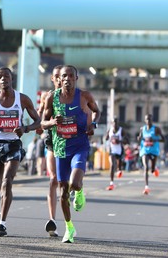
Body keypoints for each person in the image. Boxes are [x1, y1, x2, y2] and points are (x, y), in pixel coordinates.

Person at [41, 65, 101, 243]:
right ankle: (69, 228)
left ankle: (80, 190)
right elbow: (42, 123)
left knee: (74, 183)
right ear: (58, 78)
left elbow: (97, 111)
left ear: (76, 78)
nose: (66, 79)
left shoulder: (84, 96)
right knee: (63, 192)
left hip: (79, 146)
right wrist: (52, 122)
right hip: (60, 149)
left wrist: (93, 125)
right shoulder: (52, 98)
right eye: (63, 76)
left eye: (70, 76)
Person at [0, 67, 41, 237]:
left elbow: (38, 121)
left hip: (14, 144)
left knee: (7, 181)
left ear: (11, 78)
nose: (3, 79)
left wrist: (26, 128)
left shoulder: (22, 99)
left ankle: (2, 223)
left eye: (6, 76)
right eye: (0, 77)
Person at [36, 65, 62, 237]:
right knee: (53, 178)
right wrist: (44, 123)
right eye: (57, 76)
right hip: (52, 140)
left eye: (63, 76)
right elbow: (39, 121)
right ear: (52, 79)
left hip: (71, 142)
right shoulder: (48, 96)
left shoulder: (76, 96)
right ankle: (52, 219)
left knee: (65, 182)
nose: (61, 79)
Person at [137, 114, 165, 195]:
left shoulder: (156, 129)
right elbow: (140, 138)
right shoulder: (142, 129)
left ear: (152, 120)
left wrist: (155, 139)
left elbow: (163, 139)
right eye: (147, 119)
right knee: (146, 167)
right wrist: (139, 139)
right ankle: (146, 187)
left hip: (154, 151)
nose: (148, 121)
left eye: (149, 119)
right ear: (145, 120)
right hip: (144, 150)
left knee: (152, 170)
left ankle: (154, 168)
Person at [105, 117, 128, 190]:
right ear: (112, 123)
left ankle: (119, 170)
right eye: (113, 122)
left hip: (120, 151)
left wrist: (120, 141)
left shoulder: (121, 130)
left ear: (118, 123)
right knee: (112, 165)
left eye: (116, 122)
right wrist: (107, 136)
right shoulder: (110, 130)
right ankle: (111, 183)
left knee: (119, 167)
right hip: (112, 151)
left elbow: (127, 141)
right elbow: (106, 138)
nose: (115, 124)